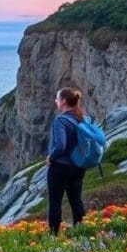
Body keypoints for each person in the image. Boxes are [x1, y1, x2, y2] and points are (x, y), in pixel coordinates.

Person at [46, 87, 86, 234]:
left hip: (60, 167)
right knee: (76, 200)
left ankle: (53, 235)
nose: (56, 101)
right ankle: (80, 232)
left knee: (55, 201)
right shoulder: (81, 118)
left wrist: (51, 157)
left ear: (63, 101)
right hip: (78, 166)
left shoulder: (60, 120)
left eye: (57, 98)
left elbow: (61, 145)